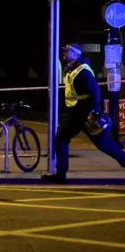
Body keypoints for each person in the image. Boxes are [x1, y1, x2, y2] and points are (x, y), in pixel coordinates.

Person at [42, 43, 125, 184]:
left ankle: (61, 175)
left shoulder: (82, 71)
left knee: (101, 143)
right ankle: (60, 175)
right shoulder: (74, 69)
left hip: (84, 112)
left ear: (75, 54)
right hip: (78, 112)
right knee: (63, 138)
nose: (64, 54)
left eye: (67, 52)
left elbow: (95, 92)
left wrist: (94, 111)